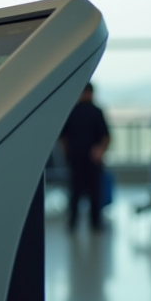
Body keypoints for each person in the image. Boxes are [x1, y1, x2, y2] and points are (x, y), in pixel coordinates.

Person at [60, 83, 111, 232]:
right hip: (92, 159)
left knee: (75, 191)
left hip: (75, 157)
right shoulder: (96, 111)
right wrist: (100, 151)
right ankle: (95, 223)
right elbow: (106, 137)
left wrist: (67, 154)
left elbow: (63, 138)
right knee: (95, 192)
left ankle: (73, 222)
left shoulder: (72, 111)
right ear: (91, 93)